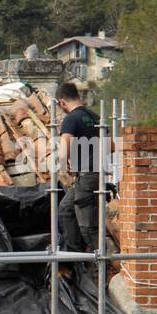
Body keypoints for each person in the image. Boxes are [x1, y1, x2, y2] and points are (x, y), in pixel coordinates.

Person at [55, 82, 102, 251]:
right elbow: (110, 146)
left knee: (87, 226)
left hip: (85, 175)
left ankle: (103, 259)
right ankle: (76, 254)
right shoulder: (95, 116)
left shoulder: (71, 119)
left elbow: (63, 151)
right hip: (97, 174)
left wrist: (63, 166)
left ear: (62, 102)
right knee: (66, 209)